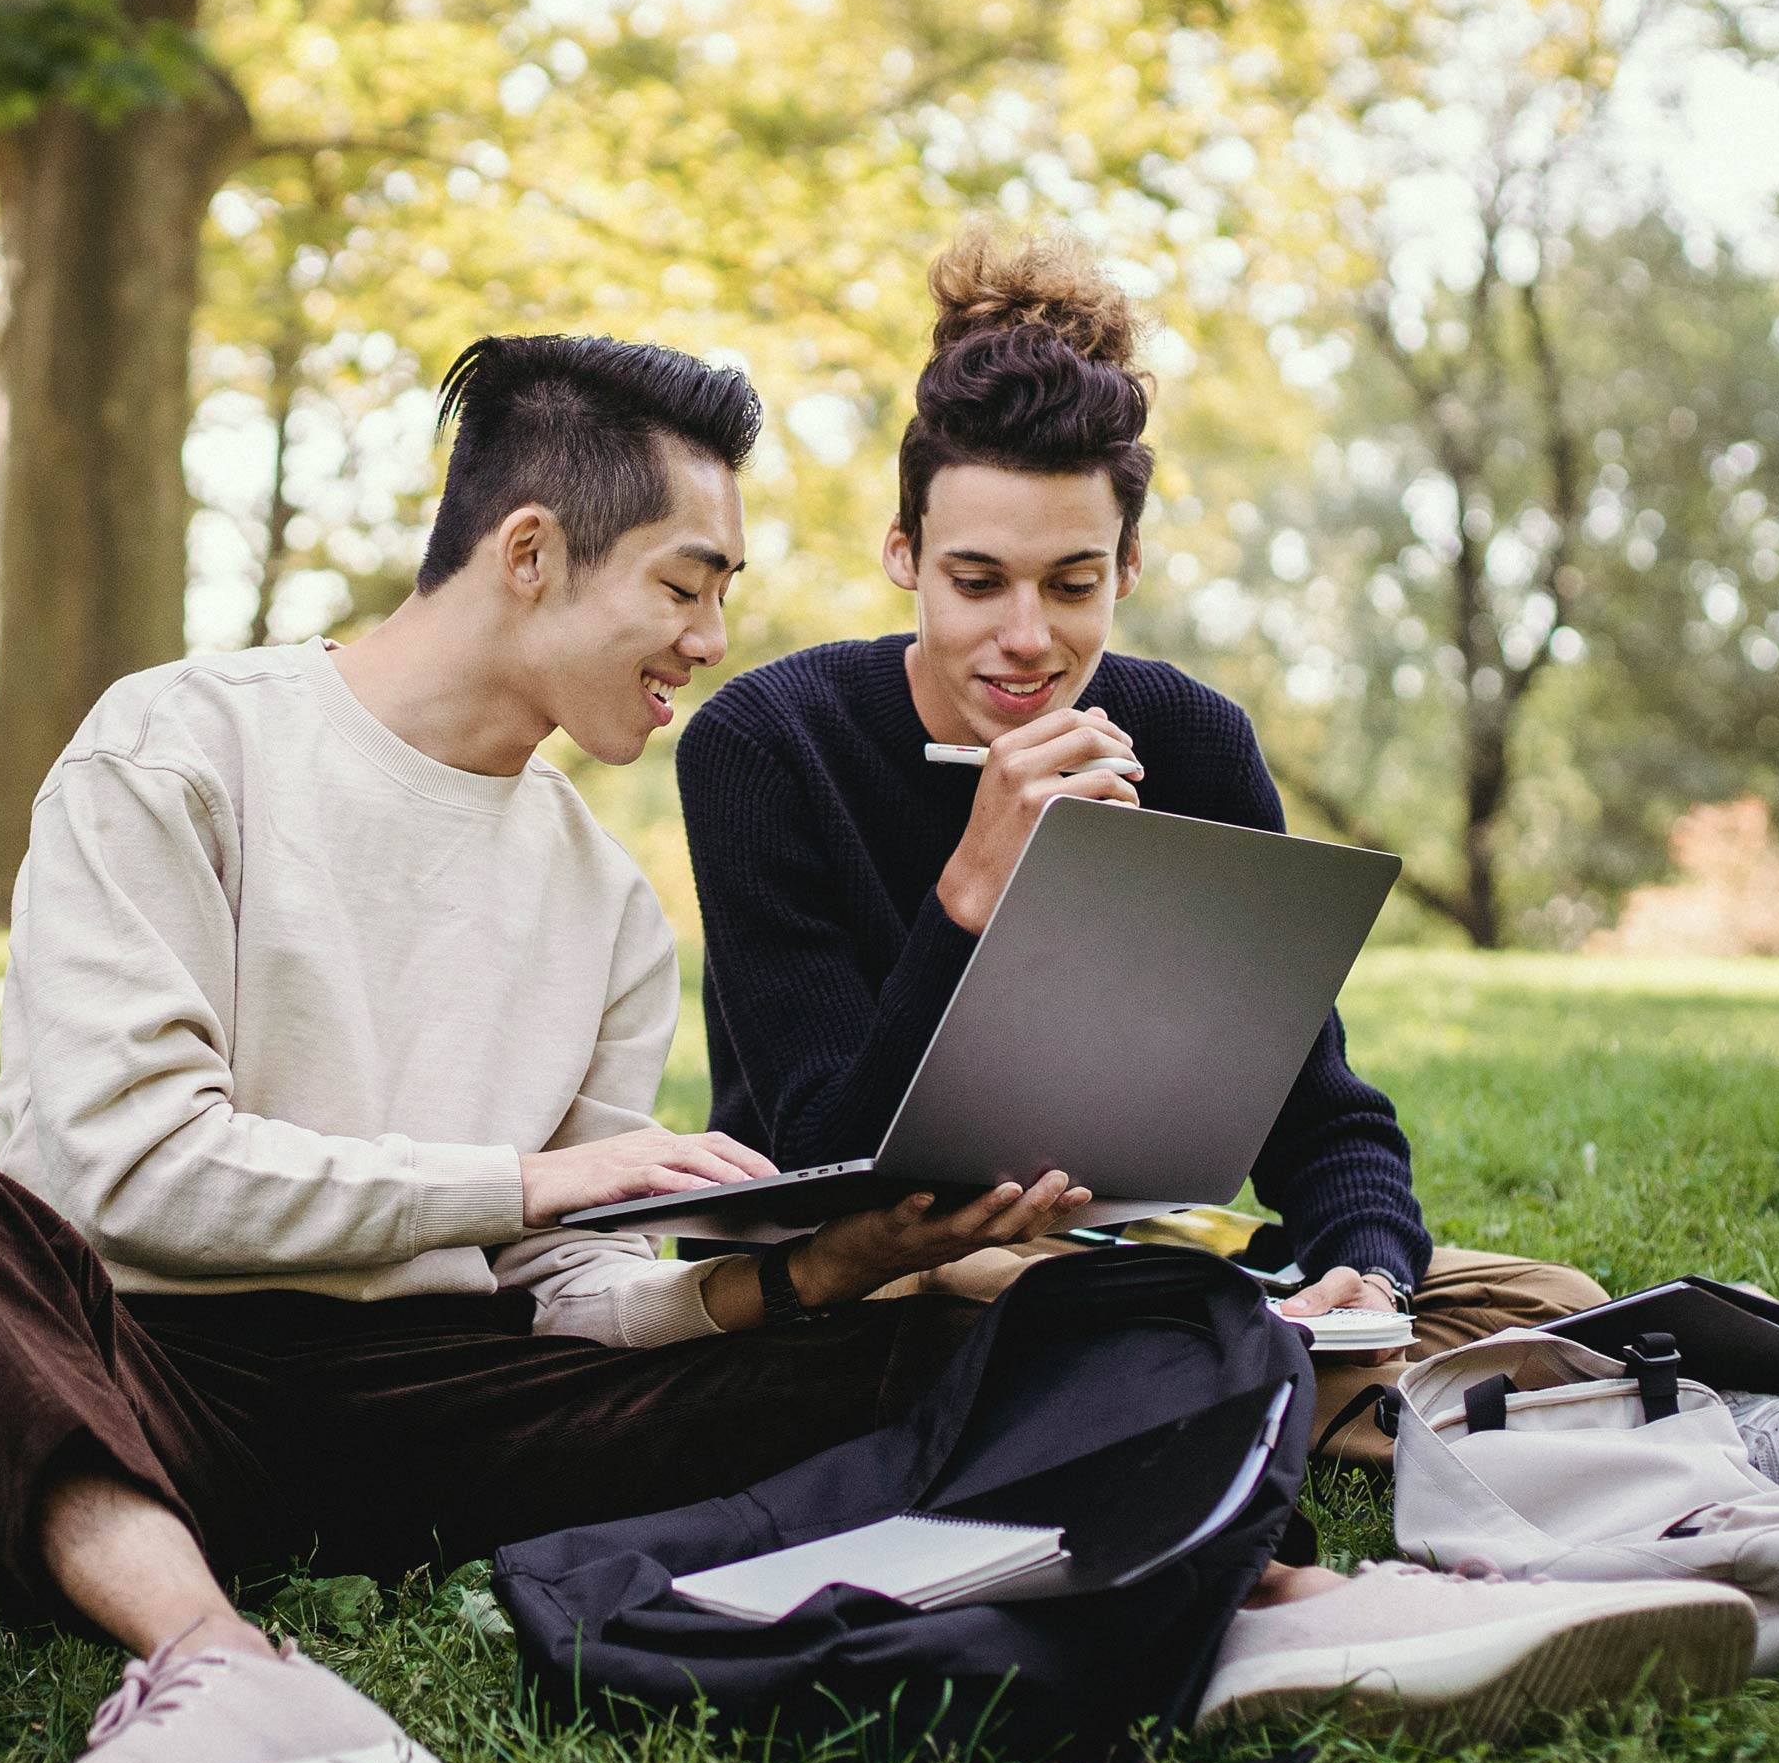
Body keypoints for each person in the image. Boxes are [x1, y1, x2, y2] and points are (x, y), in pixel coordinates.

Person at [0, 332, 1751, 1763]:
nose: (707, 638)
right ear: (525, 556)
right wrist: (539, 1174)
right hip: (158, 1362)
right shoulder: (184, 748)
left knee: (961, 1316)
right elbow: (108, 1167)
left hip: (472, 1398)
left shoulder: (596, 897)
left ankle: (1279, 1597)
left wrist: (807, 1270)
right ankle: (220, 1675)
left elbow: (562, 1295)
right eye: (686, 584)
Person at [674, 229, 1609, 1465]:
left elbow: (1319, 1111)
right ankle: (1481, 1431)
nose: (1026, 637)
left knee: (1554, 1306)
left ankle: (1347, 1384)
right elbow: (823, 1159)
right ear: (904, 558)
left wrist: (1367, 1278)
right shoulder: (768, 744)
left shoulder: (1194, 745)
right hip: (886, 1279)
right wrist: (973, 889)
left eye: (1071, 584)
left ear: (1127, 566)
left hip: (1137, 1251)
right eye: (976, 582)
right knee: (1053, 1320)